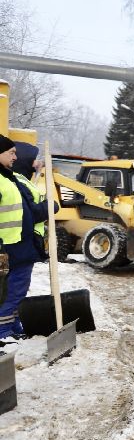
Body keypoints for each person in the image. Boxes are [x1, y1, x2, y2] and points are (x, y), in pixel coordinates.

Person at [0, 135, 52, 340]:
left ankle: (12, 325)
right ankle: (3, 330)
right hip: (10, 246)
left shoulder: (9, 178)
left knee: (17, 289)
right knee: (10, 290)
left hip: (20, 244)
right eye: (11, 152)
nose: (15, 156)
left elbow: (25, 211)